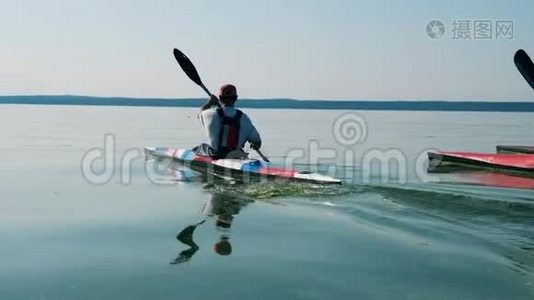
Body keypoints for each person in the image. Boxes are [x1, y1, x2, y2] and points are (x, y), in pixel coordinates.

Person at [194, 84, 262, 159]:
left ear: (220, 98)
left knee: (201, 147)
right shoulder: (244, 118)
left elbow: (200, 113)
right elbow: (257, 142)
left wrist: (210, 103)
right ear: (236, 98)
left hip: (216, 156)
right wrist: (254, 144)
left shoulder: (209, 114)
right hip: (236, 156)